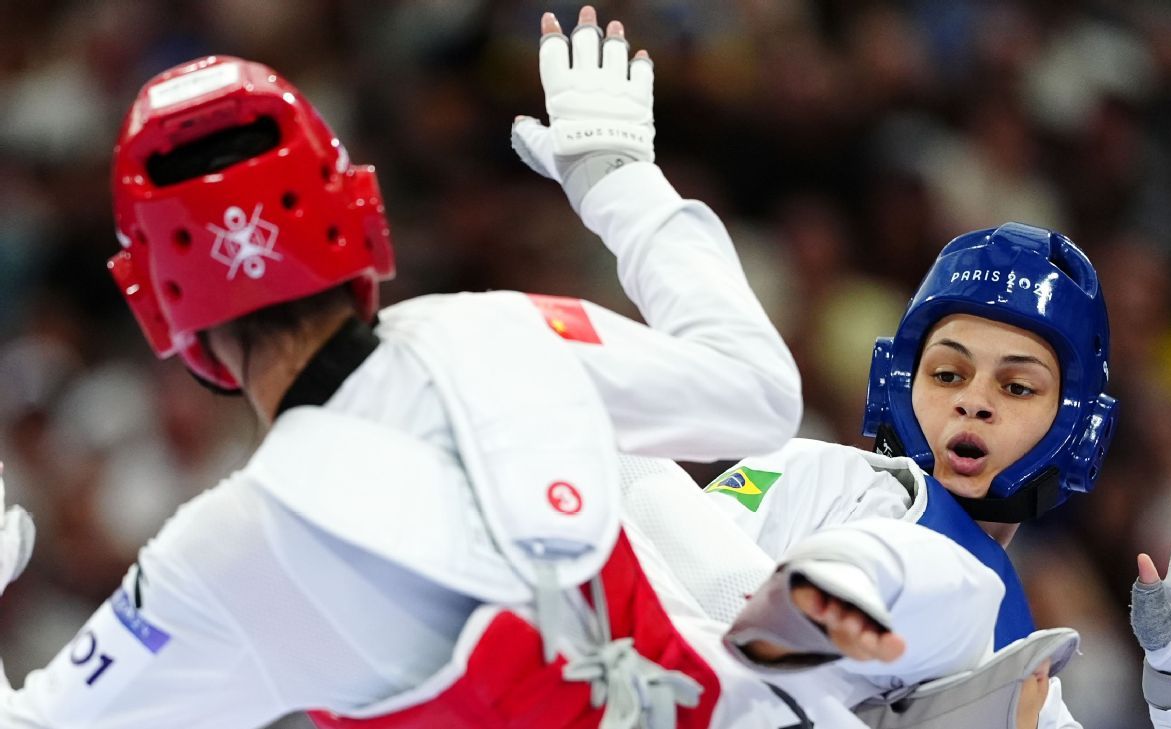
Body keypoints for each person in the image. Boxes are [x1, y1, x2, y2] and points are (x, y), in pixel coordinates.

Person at [0, 7, 863, 727]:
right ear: (360, 220)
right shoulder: (502, 335)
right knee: (641, 467)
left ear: (158, 307)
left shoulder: (220, 552)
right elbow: (759, 392)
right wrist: (620, 182)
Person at [675, 222, 1171, 727]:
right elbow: (666, 588)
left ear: (1078, 432)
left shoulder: (1028, 683)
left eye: (1017, 386)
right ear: (898, 387)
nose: (973, 402)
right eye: (947, 375)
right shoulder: (811, 474)